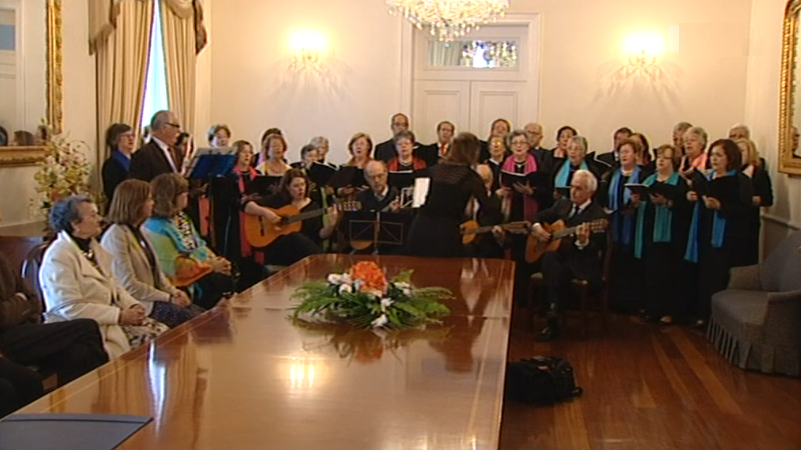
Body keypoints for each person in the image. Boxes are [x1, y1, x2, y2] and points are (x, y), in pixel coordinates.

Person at [39, 196, 167, 359]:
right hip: (86, 327)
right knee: (154, 343)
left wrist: (133, 305)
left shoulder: (94, 248)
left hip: (112, 320)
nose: (100, 219)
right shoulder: (58, 257)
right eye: (93, 215)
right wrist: (119, 315)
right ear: (75, 224)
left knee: (164, 335)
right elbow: (70, 308)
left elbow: (115, 285)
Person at [101, 180, 202, 328]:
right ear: (135, 203)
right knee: (196, 324)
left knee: (205, 318)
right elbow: (129, 285)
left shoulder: (141, 230)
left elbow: (158, 274)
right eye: (149, 199)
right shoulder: (116, 235)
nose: (153, 203)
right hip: (141, 304)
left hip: (157, 298)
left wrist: (174, 292)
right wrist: (167, 297)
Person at [530, 170, 607, 341]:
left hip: (582, 262)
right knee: (551, 258)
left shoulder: (598, 216)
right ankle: (553, 312)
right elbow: (538, 216)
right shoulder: (563, 204)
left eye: (578, 188)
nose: (573, 191)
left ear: (590, 192)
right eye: (572, 187)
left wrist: (583, 241)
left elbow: (595, 249)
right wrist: (537, 227)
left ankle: (552, 314)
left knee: (553, 263)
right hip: (559, 260)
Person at [684, 139, 754, 328]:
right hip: (706, 233)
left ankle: (719, 320)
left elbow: (744, 209)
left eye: (719, 155)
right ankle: (703, 315)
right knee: (705, 275)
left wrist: (721, 206)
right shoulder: (708, 178)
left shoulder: (740, 181)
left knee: (720, 276)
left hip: (728, 238)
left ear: (730, 158)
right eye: (712, 155)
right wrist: (694, 197)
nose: (714, 159)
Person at [143, 174, 234, 310]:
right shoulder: (156, 227)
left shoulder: (181, 217)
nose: (187, 194)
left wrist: (217, 261)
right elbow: (173, 267)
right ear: (170, 196)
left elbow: (199, 245)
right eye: (183, 192)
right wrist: (210, 266)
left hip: (201, 274)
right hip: (178, 285)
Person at [405, 132, 493, 257]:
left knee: (418, 272)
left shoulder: (435, 169)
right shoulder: (470, 177)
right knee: (447, 273)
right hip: (445, 231)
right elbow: (488, 208)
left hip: (420, 227)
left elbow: (411, 180)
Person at [635, 145, 691, 325]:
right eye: (659, 157)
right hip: (651, 232)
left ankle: (668, 311)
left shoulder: (679, 182)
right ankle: (652, 309)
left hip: (671, 236)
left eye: (665, 158)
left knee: (669, 274)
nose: (660, 161)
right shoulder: (649, 180)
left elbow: (685, 209)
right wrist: (638, 201)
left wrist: (666, 202)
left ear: (673, 161)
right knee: (651, 273)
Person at [244, 169, 338, 265]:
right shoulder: (278, 199)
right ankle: (325, 263)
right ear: (287, 187)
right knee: (294, 236)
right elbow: (246, 205)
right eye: (296, 186)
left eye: (303, 184)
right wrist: (266, 213)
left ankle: (322, 263)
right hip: (278, 249)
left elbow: (318, 235)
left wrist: (332, 225)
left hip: (303, 251)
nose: (301, 189)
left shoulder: (313, 206)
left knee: (298, 238)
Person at [601, 138, 651, 314]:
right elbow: (604, 198)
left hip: (634, 226)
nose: (623, 155)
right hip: (614, 225)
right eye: (621, 152)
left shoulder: (643, 175)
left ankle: (632, 303)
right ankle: (615, 302)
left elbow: (648, 201)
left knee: (632, 264)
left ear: (636, 155)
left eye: (627, 152)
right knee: (615, 263)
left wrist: (637, 204)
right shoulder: (612, 175)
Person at [217, 140, 275, 289]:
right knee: (239, 259)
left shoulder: (257, 175)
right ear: (236, 154)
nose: (247, 155)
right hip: (236, 221)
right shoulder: (228, 176)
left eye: (250, 152)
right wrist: (244, 201)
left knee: (254, 264)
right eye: (244, 152)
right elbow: (228, 199)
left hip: (256, 221)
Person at [735, 138, 774, 265]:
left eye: (742, 151)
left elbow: (768, 199)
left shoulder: (758, 172)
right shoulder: (732, 173)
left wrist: (750, 199)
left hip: (749, 222)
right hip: (732, 221)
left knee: (747, 257)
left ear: (750, 152)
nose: (739, 154)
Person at [129, 110, 183, 182]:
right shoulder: (145, 153)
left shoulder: (177, 151)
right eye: (176, 126)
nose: (179, 131)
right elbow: (138, 184)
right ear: (164, 128)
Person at [101, 123, 136, 204]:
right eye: (126, 136)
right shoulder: (111, 164)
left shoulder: (138, 159)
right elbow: (112, 192)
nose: (131, 138)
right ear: (115, 139)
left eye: (132, 135)